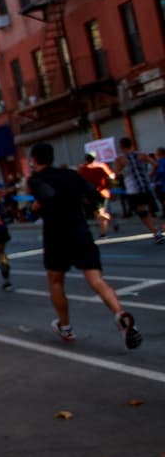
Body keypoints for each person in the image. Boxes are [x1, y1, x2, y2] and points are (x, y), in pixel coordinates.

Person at [27, 142, 143, 348]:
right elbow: (95, 196)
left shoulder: (36, 179)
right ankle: (120, 313)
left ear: (34, 159)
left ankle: (66, 326)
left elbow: (47, 196)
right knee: (96, 279)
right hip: (80, 231)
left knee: (55, 281)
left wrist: (37, 207)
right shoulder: (71, 175)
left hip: (56, 235)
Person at [114, 136, 164, 243]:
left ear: (121, 146)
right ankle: (157, 230)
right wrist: (149, 176)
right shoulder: (142, 155)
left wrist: (120, 177)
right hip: (146, 186)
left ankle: (156, 232)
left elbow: (116, 175)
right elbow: (155, 165)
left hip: (133, 189)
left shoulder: (120, 159)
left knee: (142, 212)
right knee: (151, 209)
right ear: (131, 144)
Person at [76, 152, 117, 237]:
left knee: (99, 213)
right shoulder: (101, 166)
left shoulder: (83, 169)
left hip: (93, 193)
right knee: (99, 212)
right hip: (102, 192)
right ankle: (106, 228)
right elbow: (112, 177)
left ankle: (104, 230)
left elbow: (78, 182)